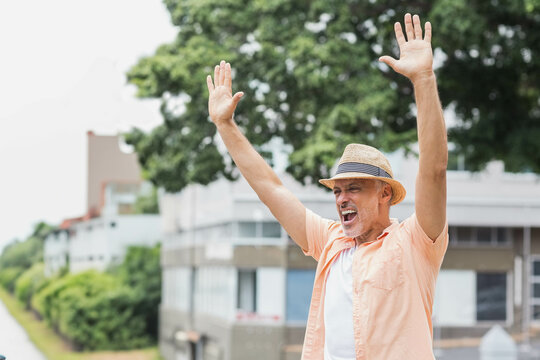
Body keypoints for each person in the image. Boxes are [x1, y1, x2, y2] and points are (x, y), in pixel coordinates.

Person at [206, 13, 447, 360]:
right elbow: (271, 189)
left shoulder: (416, 242)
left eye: (354, 188)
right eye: (337, 190)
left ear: (385, 193)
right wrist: (225, 125)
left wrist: (423, 78)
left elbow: (434, 170)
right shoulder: (332, 241)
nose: (342, 198)